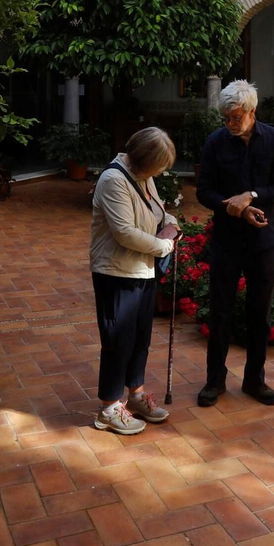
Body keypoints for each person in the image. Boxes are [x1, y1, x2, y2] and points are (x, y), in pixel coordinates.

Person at [194, 80, 274, 408]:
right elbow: (203, 191)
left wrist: (250, 196)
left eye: (236, 117)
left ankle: (255, 380)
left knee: (259, 313)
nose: (230, 123)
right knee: (220, 311)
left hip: (262, 241)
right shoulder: (215, 142)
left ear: (251, 112)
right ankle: (214, 380)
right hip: (226, 239)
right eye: (226, 118)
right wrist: (232, 207)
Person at [89, 127, 180, 435]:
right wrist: (165, 245)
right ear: (142, 159)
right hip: (116, 273)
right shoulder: (114, 180)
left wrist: (171, 225)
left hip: (143, 270)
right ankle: (108, 409)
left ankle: (136, 396)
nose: (159, 173)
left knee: (140, 337)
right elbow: (125, 232)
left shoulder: (143, 177)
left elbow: (159, 212)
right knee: (118, 341)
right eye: (158, 167)